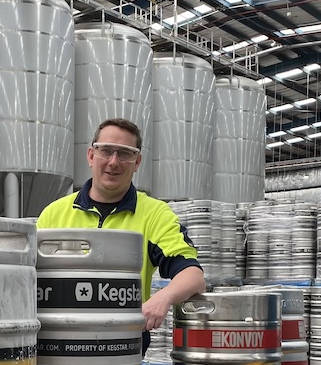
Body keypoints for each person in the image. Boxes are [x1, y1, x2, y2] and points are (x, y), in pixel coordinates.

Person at [36, 117, 206, 340]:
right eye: (106, 151)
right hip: (60, 346)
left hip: (121, 350)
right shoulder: (54, 214)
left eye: (125, 153)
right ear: (91, 156)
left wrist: (163, 297)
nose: (114, 162)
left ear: (137, 162)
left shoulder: (154, 215)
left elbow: (193, 276)